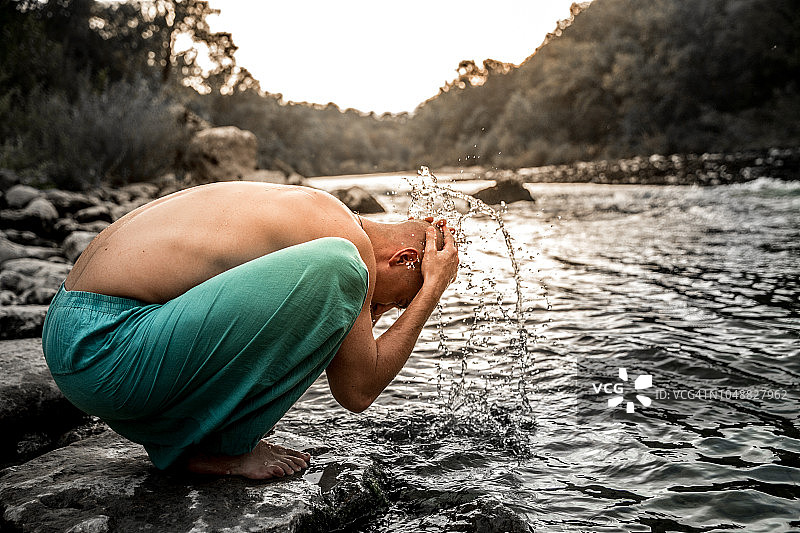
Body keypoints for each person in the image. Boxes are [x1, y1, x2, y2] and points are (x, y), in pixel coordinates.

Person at [41, 181, 458, 479]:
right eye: (398, 299)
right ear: (404, 258)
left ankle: (183, 439)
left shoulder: (320, 210)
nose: (382, 309)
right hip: (106, 349)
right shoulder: (348, 245)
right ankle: (222, 450)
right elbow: (358, 390)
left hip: (74, 332)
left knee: (336, 281)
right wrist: (431, 290)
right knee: (340, 267)